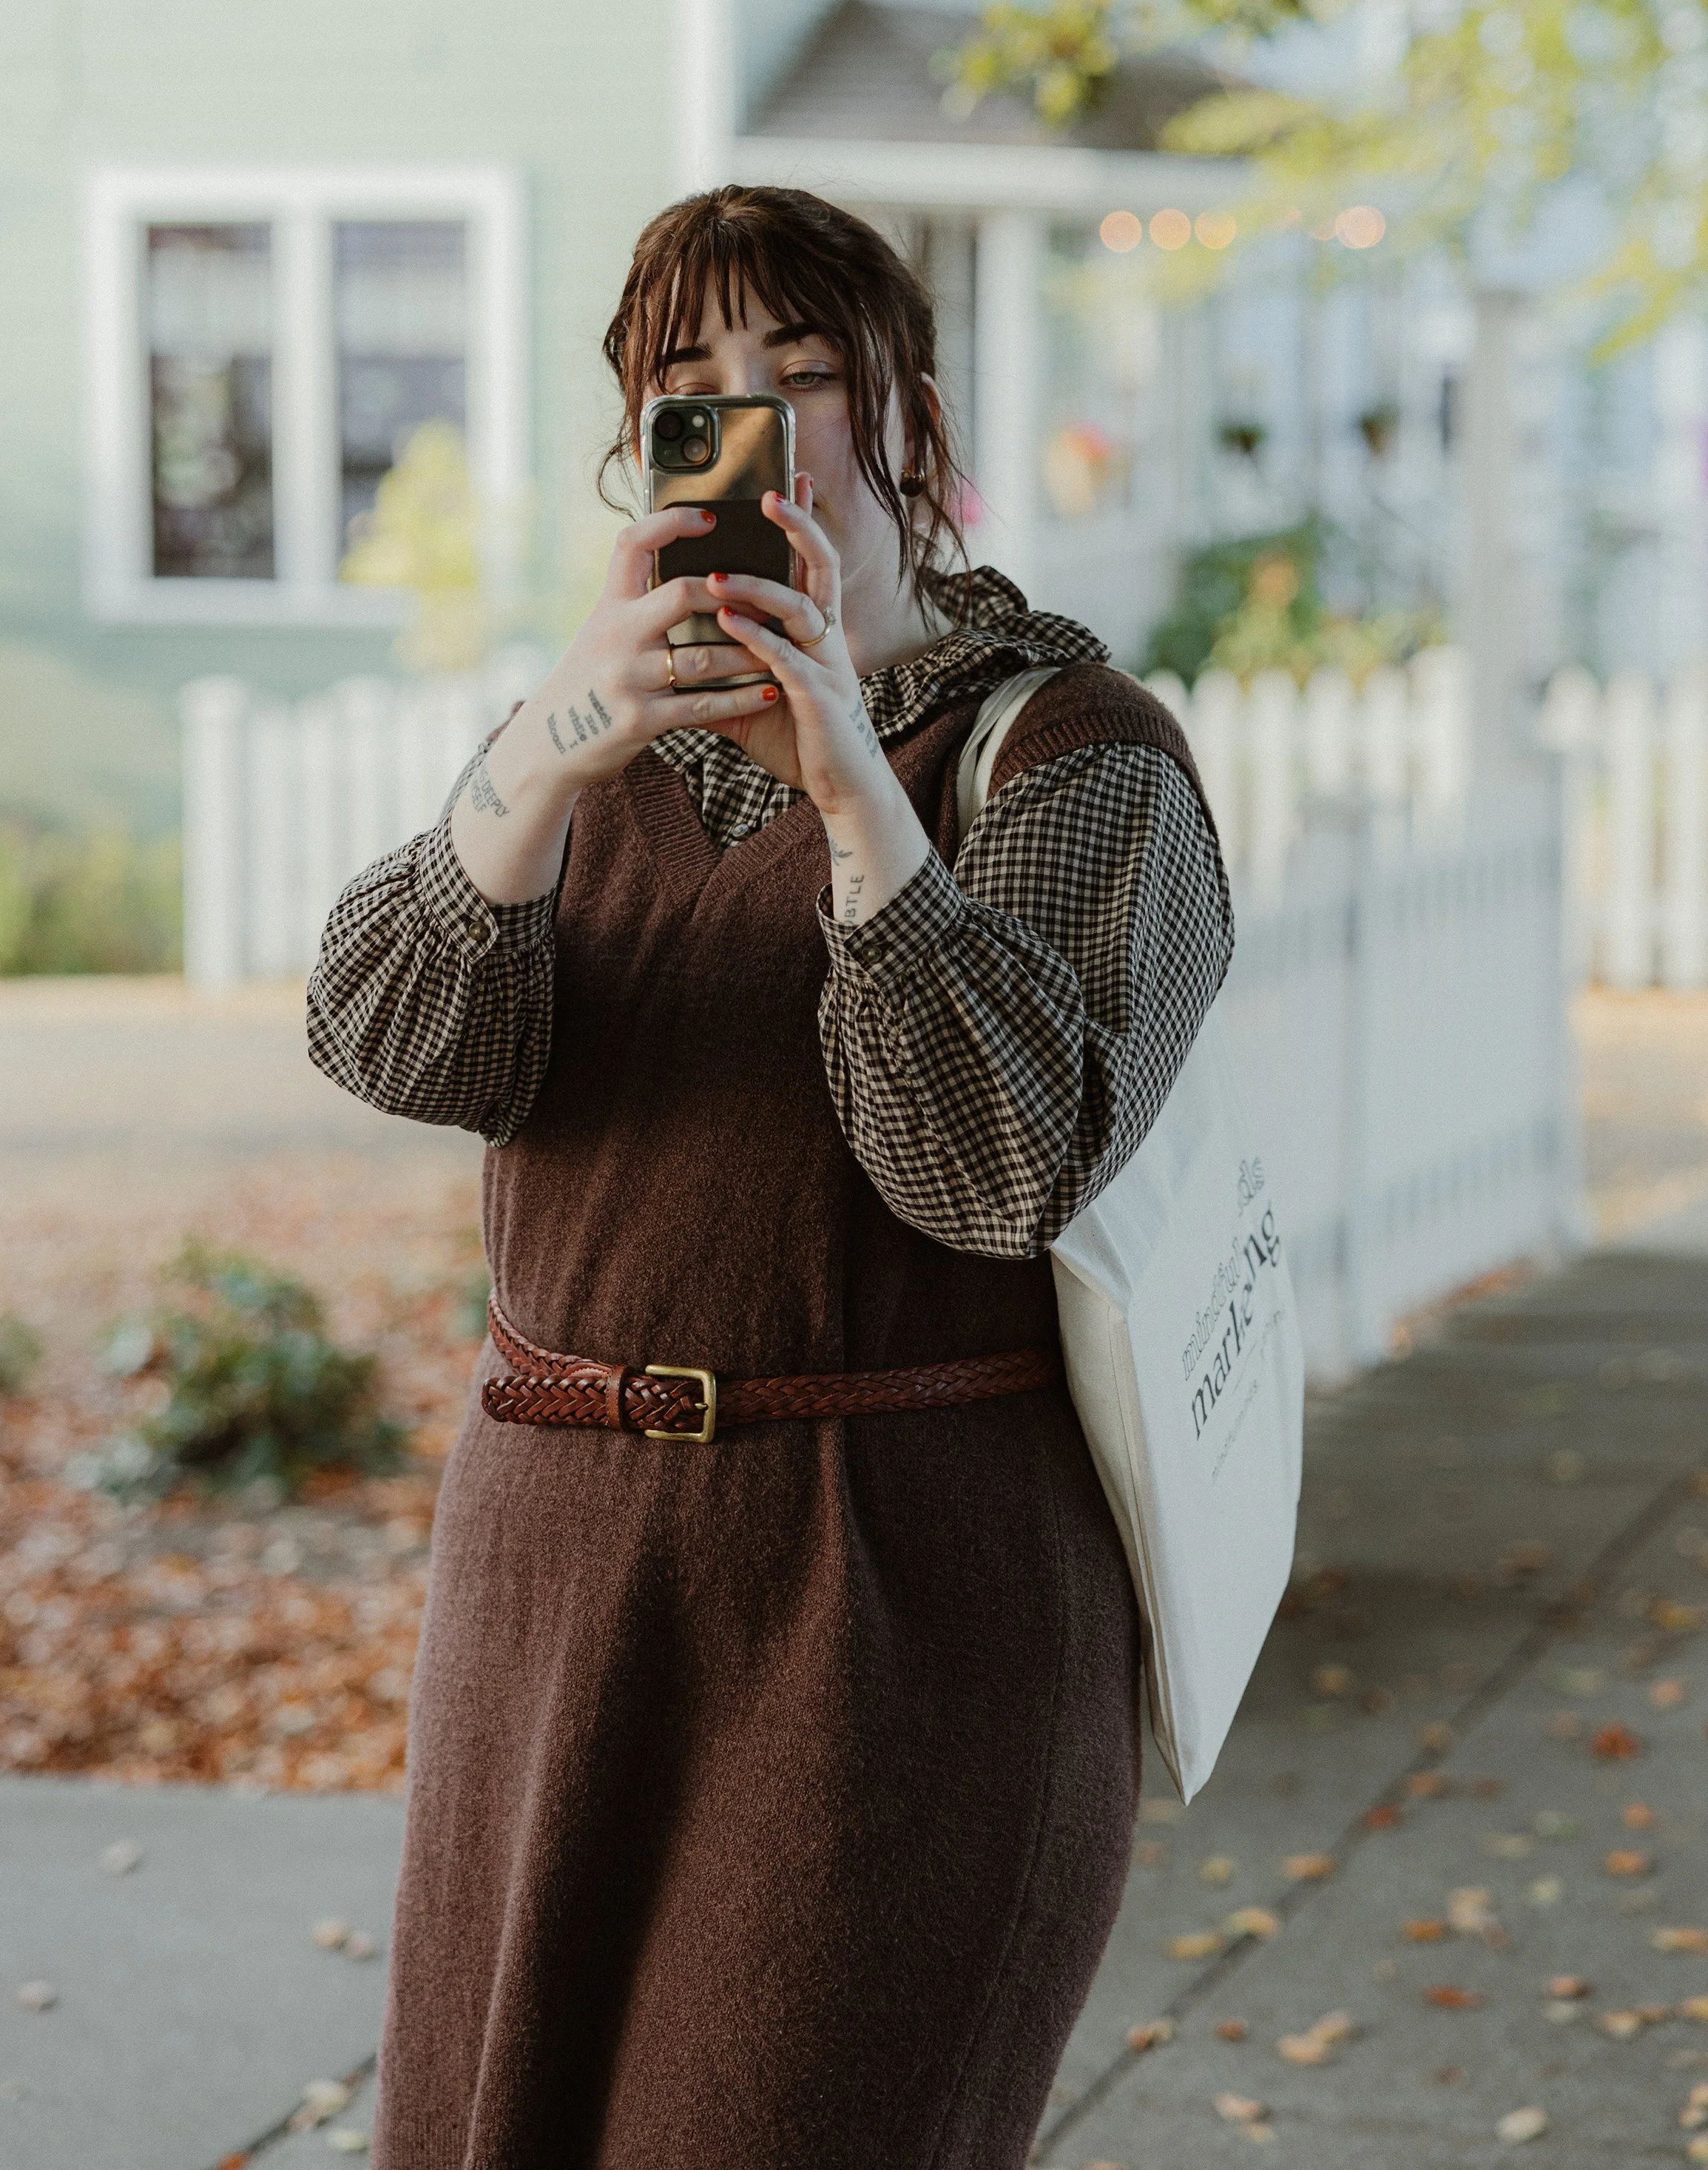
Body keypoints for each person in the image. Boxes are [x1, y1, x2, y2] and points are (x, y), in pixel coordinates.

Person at [308, 184, 1232, 2170]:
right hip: (552, 1576)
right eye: (689, 383)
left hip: (892, 1602)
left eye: (803, 375)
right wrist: (547, 756)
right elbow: (394, 1046)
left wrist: (853, 804)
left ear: (908, 414)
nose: (751, 422)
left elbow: (997, 1167)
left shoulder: (1072, 753)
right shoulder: (582, 738)